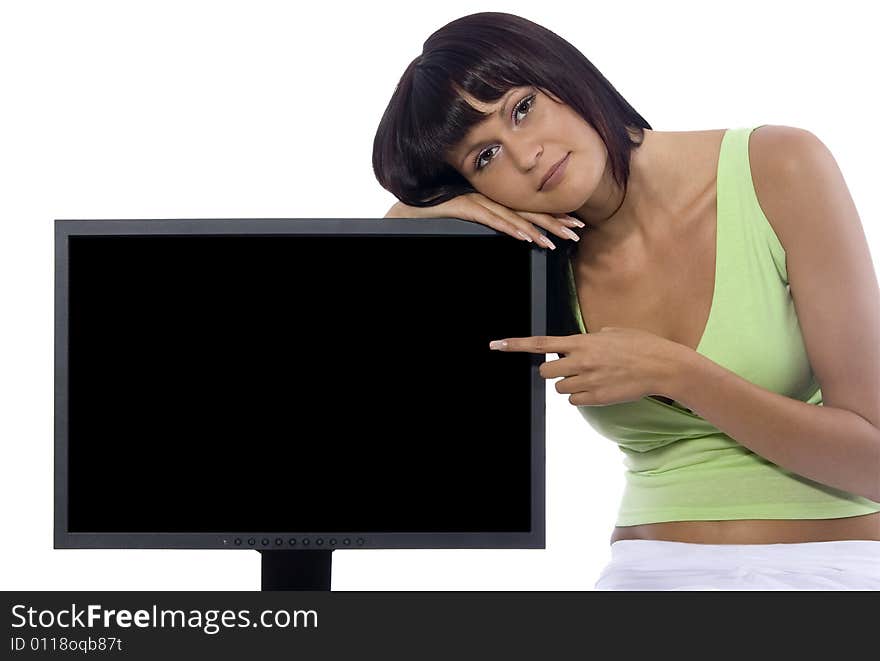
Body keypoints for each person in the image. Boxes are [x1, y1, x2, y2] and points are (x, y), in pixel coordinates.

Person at [372, 12, 880, 589]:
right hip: (648, 571)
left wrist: (679, 373)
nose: (526, 155)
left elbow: (874, 460)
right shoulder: (536, 255)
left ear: (561, 75)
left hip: (833, 564)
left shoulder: (778, 166)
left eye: (522, 108)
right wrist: (414, 219)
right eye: (483, 158)